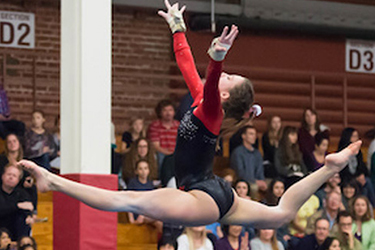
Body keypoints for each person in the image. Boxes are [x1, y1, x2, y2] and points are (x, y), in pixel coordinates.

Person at [17, 0, 362, 232]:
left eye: (229, 79)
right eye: (227, 74)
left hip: (201, 195)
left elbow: (211, 84)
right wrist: (178, 29)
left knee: (122, 199)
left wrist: (217, 61)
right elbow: (186, 65)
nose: (224, 77)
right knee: (281, 215)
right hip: (213, 192)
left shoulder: (212, 107)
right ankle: (330, 168)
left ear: (225, 95)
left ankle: (54, 180)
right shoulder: (203, 100)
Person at [338, 128, 375, 207]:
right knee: (366, 183)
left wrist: (361, 175)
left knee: (366, 182)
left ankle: (365, 206)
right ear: (348, 137)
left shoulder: (358, 152)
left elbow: (362, 167)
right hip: (345, 179)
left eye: (357, 136)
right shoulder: (341, 152)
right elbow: (342, 172)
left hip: (356, 179)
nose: (356, 139)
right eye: (354, 136)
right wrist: (355, 177)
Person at [231, 125, 267, 196]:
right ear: (243, 136)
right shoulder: (238, 152)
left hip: (257, 181)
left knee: (274, 184)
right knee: (254, 187)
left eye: (255, 134)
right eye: (251, 134)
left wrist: (261, 180)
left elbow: (260, 170)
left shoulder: (257, 153)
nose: (254, 136)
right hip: (243, 181)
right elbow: (240, 172)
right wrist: (255, 181)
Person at [0, 165, 34, 241]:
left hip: (15, 231)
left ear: (18, 180)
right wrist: (17, 206)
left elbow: (28, 208)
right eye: (9, 174)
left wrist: (29, 216)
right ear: (2, 176)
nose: (11, 177)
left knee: (23, 219)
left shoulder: (22, 194)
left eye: (14, 176)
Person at [148, 99, 180, 168]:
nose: (168, 113)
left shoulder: (179, 126)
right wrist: (170, 154)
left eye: (170, 110)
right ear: (160, 113)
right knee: (160, 156)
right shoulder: (155, 125)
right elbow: (156, 146)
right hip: (162, 155)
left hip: (177, 155)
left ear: (174, 112)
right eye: (165, 110)